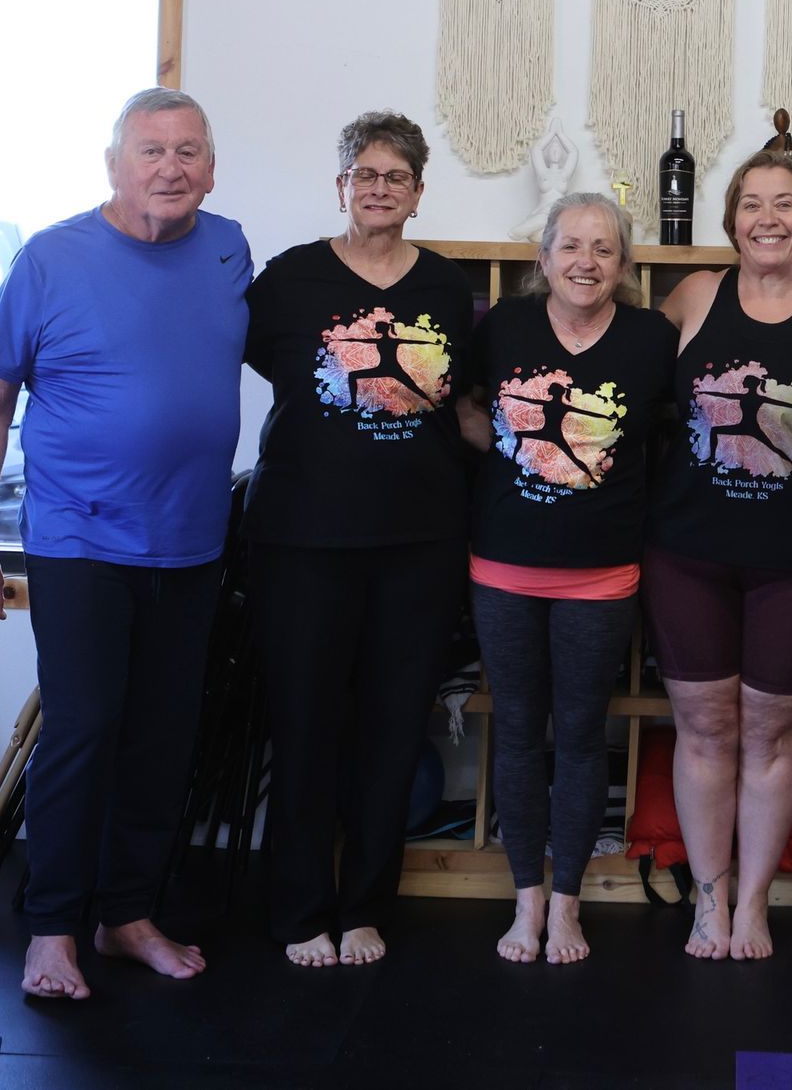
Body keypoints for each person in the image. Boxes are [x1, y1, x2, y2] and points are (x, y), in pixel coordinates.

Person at [0, 87, 250, 1000]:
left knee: (164, 739)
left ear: (211, 168)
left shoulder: (230, 249)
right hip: (79, 541)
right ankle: (53, 930)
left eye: (189, 151)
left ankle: (126, 917)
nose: (171, 167)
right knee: (83, 732)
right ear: (115, 164)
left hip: (192, 544)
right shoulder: (51, 259)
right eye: (151, 150)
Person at [242, 111, 474, 970]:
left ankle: (367, 905)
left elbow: (460, 401)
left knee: (394, 727)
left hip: (419, 544)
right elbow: (271, 367)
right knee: (304, 726)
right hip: (302, 541)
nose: (379, 189)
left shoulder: (446, 287)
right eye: (364, 175)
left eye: (395, 176)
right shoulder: (289, 280)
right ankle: (301, 909)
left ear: (418, 192)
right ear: (341, 186)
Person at [644, 148, 792, 960]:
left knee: (774, 736)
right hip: (688, 554)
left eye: (785, 203)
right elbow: (638, 387)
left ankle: (753, 906)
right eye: (752, 203)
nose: (768, 218)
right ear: (732, 221)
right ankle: (709, 901)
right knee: (704, 730)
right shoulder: (693, 297)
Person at [464, 193, 677, 964]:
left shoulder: (652, 339)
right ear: (544, 256)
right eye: (571, 246)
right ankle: (526, 902)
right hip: (504, 566)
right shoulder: (505, 327)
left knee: (583, 736)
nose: (586, 262)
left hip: (603, 572)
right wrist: (515, 450)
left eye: (603, 249)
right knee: (519, 732)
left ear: (623, 264)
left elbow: (675, 434)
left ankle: (568, 907)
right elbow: (464, 407)